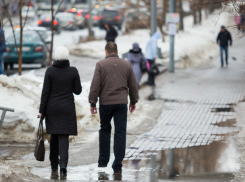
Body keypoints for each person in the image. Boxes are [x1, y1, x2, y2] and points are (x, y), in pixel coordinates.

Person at [89, 42, 138, 174]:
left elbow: (95, 85)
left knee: (104, 130)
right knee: (120, 132)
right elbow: (133, 85)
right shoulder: (126, 65)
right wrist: (133, 101)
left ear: (106, 52)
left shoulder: (100, 65)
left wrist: (92, 102)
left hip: (105, 103)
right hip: (121, 103)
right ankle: (117, 164)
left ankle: (103, 161)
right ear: (117, 51)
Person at [39, 46, 82, 175]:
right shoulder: (73, 71)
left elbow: (45, 93)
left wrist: (42, 111)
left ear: (56, 57)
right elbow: (78, 91)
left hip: (52, 108)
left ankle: (53, 166)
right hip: (67, 108)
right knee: (64, 136)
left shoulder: (50, 71)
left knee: (54, 135)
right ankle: (63, 165)